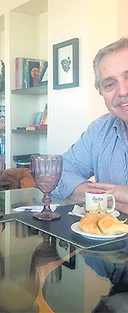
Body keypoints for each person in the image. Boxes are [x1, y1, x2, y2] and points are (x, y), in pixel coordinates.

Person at [52, 37, 128, 212]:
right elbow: (56, 175)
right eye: (110, 84)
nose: (123, 91)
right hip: (107, 237)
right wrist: (113, 198)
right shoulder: (100, 130)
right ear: (101, 92)